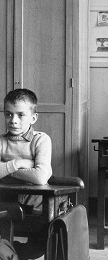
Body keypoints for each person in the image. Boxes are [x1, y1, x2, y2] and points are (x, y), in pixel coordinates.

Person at [0, 88, 52, 259]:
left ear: (33, 117)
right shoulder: (1, 142)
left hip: (36, 208)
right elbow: (35, 173)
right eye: (8, 114)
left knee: (37, 249)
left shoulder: (40, 139)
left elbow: (40, 177)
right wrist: (19, 163)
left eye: (20, 115)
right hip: (5, 204)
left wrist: (5, 169)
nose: (13, 121)